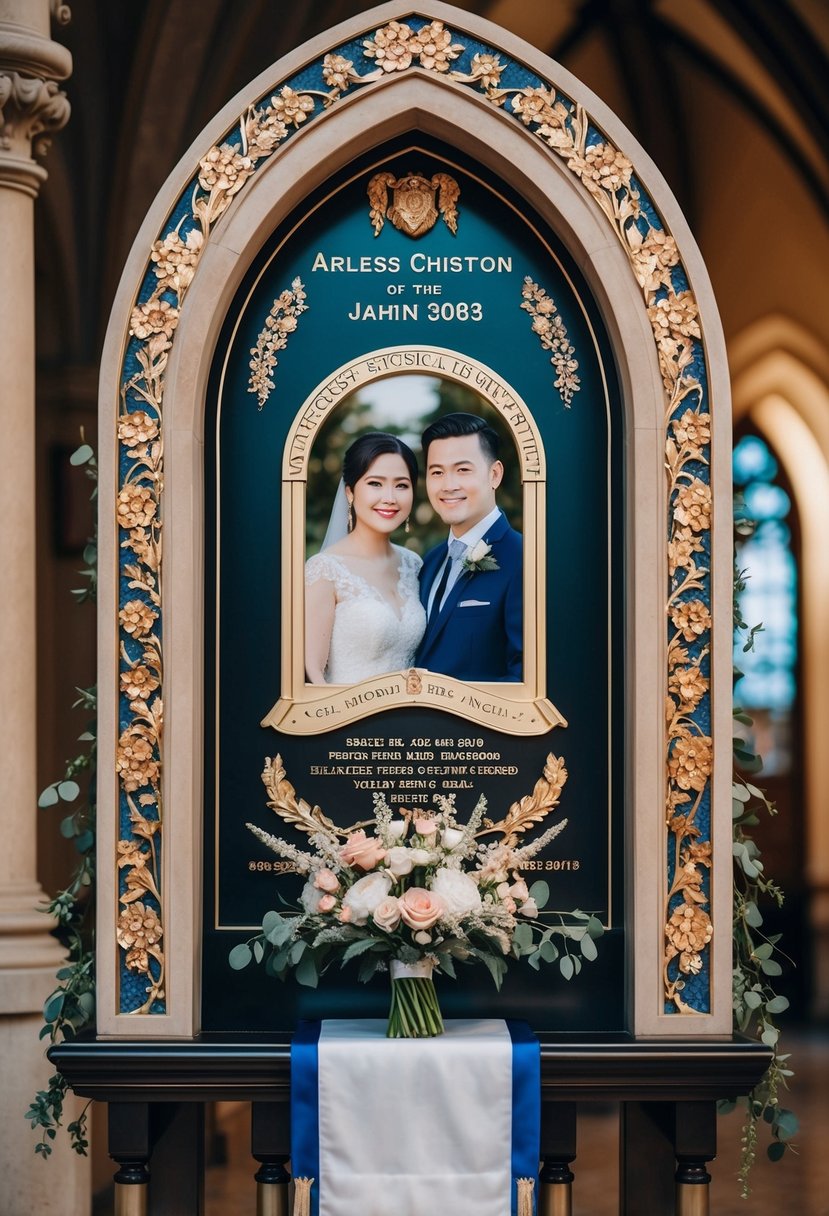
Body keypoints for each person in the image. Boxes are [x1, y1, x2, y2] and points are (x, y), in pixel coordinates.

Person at [305, 432, 426, 684]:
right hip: (349, 718)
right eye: (375, 483)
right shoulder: (325, 569)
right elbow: (313, 672)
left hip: (412, 718)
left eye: (402, 485)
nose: (390, 498)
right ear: (350, 492)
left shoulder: (414, 564)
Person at [415, 413, 522, 681]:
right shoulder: (431, 562)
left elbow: (525, 678)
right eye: (437, 472)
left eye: (463, 470)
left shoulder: (525, 558)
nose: (448, 485)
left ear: (494, 474)